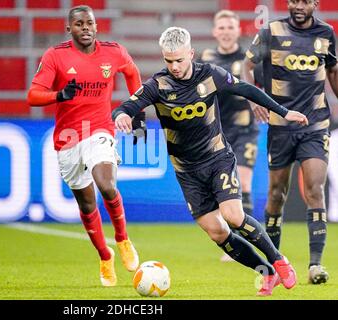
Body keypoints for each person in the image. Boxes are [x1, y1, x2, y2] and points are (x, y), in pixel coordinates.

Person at [113, 27, 308, 296]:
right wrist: (122, 116)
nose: (175, 66)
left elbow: (247, 90)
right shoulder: (157, 85)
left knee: (233, 215)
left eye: (180, 60)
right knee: (217, 233)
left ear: (191, 54)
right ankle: (267, 273)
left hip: (217, 158)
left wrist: (284, 112)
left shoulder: (211, 75)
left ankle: (279, 260)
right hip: (187, 171)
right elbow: (126, 107)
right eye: (169, 61)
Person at [27, 5, 142, 287]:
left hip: (99, 129)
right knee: (87, 203)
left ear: (96, 26)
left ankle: (123, 238)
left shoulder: (113, 52)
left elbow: (132, 71)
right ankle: (105, 256)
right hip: (67, 139)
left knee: (106, 184)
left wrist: (136, 110)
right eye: (79, 24)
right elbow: (32, 95)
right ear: (70, 29)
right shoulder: (56, 55)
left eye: (89, 23)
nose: (85, 28)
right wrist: (59, 95)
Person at [243, 0, 338, 284]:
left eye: (305, 2)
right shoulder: (271, 31)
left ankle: (315, 266)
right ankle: (276, 263)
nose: (298, 6)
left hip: (315, 124)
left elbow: (332, 71)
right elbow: (247, 66)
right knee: (276, 195)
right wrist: (253, 97)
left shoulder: (326, 34)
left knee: (315, 190)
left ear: (315, 4)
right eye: (294, 1)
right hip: (281, 125)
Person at [198, 10, 260, 262]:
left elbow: (260, 89)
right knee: (220, 190)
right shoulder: (206, 58)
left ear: (238, 31)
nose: (225, 32)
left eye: (229, 27)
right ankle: (231, 240)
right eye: (221, 27)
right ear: (215, 32)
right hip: (216, 134)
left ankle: (245, 242)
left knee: (243, 184)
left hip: (244, 129)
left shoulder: (248, 60)